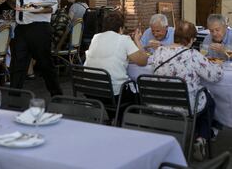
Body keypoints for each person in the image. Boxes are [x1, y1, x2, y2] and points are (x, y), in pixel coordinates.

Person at [149, 20, 223, 161]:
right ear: (190, 40)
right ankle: (201, 138)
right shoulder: (192, 55)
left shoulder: (158, 52)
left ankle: (197, 136)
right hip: (184, 107)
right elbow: (215, 76)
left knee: (201, 97)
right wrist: (218, 65)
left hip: (158, 104)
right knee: (208, 100)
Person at [12, 0, 62, 96]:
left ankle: (57, 95)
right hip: (21, 28)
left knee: (45, 64)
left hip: (39, 28)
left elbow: (53, 6)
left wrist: (35, 10)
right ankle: (13, 97)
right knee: (17, 65)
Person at [84, 11, 148, 101]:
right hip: (113, 93)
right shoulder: (124, 39)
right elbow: (143, 61)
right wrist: (137, 40)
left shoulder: (96, 38)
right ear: (121, 28)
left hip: (91, 90)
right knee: (138, 94)